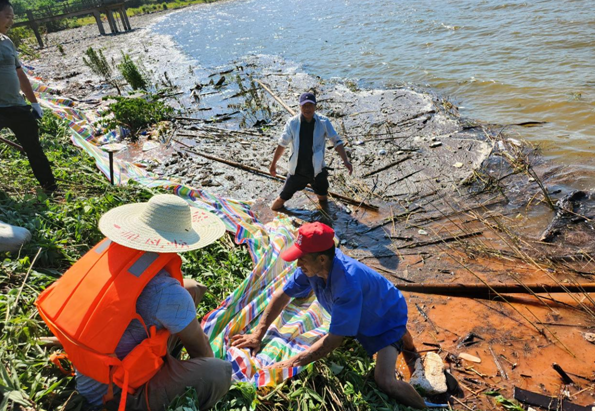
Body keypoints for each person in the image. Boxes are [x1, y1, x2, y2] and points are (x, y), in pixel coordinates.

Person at [231, 222, 426, 409]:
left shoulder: (346, 285)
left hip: (387, 315)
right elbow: (283, 294)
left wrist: (290, 364)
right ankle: (412, 351)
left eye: (302, 258)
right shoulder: (312, 268)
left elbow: (333, 341)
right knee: (389, 332)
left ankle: (426, 407)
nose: (298, 264)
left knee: (385, 381)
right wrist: (258, 334)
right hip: (376, 302)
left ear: (322, 259)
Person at [69, 194, 232, 410]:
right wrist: (202, 370)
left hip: (91, 369)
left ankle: (163, 362)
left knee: (191, 288)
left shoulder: (111, 256)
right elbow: (200, 349)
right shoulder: (166, 292)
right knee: (218, 372)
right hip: (114, 392)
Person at [0, 0, 56, 193]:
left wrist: (34, 103)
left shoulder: (7, 42)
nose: (11, 21)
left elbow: (20, 74)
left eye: (13, 17)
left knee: (34, 149)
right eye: (8, 16)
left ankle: (50, 188)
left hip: (15, 105)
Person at [269, 92, 352, 211]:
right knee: (279, 202)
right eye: (304, 106)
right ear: (300, 107)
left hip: (317, 170)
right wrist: (273, 164)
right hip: (297, 171)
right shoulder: (292, 123)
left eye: (310, 105)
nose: (307, 109)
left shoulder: (323, 122)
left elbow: (336, 141)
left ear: (315, 106)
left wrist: (345, 160)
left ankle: (324, 219)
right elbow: (282, 144)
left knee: (323, 198)